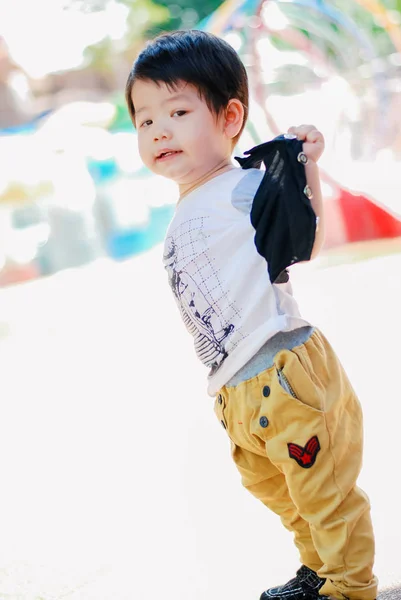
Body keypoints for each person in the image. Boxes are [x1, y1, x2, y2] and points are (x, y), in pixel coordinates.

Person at [125, 29, 378, 600]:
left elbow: (301, 238)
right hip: (237, 390)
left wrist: (303, 163)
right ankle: (317, 570)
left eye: (179, 111)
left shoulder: (241, 184)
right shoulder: (189, 202)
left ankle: (350, 586)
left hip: (283, 371)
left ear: (230, 116)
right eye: (144, 120)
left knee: (323, 493)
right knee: (280, 491)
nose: (159, 129)